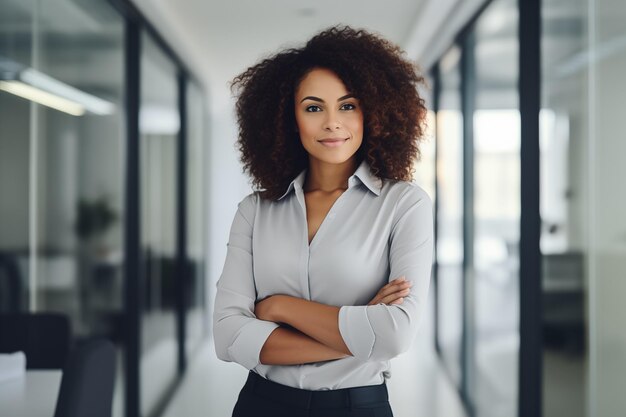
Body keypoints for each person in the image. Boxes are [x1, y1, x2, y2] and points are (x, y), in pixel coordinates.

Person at [213, 25, 433, 417]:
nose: (333, 122)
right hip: (262, 404)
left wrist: (279, 307)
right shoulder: (254, 210)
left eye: (348, 105)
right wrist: (360, 335)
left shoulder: (404, 204)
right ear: (288, 119)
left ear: (374, 112)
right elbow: (228, 336)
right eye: (314, 107)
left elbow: (396, 334)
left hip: (357, 406)